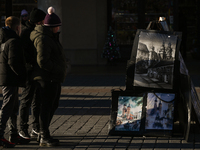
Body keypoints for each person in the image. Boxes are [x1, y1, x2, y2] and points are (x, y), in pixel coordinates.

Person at [30, 6, 67, 147]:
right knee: (46, 106)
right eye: (57, 26)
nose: (59, 29)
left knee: (52, 105)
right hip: (47, 78)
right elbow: (42, 60)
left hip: (52, 77)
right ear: (52, 27)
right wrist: (57, 69)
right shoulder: (43, 39)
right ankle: (44, 134)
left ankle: (43, 132)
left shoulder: (50, 36)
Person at [19, 8, 46, 141]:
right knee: (26, 100)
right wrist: (31, 64)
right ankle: (22, 128)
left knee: (37, 100)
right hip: (30, 71)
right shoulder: (26, 33)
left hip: (37, 70)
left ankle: (35, 126)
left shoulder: (36, 30)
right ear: (38, 21)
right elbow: (24, 53)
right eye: (42, 20)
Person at [0, 16, 27, 148]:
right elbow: (13, 62)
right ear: (17, 28)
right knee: (8, 105)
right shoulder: (14, 41)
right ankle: (1, 134)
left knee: (12, 106)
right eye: (20, 27)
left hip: (6, 77)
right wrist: (23, 76)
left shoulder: (4, 39)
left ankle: (13, 133)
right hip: (10, 78)